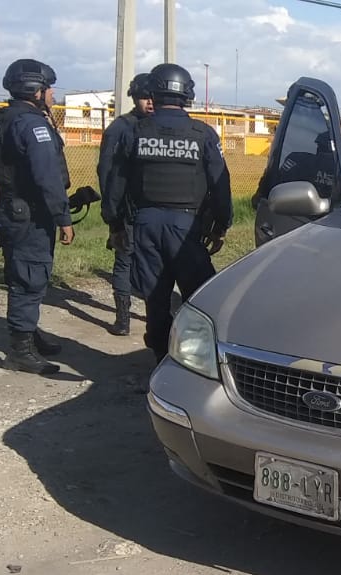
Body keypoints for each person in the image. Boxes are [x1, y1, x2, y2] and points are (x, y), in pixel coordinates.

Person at [104, 63, 232, 363]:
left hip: (146, 224)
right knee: (200, 298)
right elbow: (220, 183)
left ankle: (160, 358)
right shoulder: (202, 133)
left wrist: (115, 224)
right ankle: (196, 361)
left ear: (154, 92)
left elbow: (116, 183)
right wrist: (221, 225)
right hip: (187, 227)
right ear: (187, 93)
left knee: (156, 299)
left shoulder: (133, 132)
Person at [0, 59, 75, 375]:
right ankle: (21, 351)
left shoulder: (1, 117)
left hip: (9, 206)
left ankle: (30, 334)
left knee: (20, 272)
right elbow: (46, 174)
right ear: (34, 91)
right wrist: (63, 217)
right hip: (30, 213)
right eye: (49, 88)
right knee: (30, 277)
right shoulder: (31, 124)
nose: (52, 94)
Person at [97, 72, 153, 336]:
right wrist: (113, 216)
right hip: (127, 211)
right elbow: (107, 173)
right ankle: (123, 318)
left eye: (154, 96)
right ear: (135, 97)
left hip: (154, 213)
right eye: (144, 97)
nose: (150, 102)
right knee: (124, 262)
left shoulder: (162, 127)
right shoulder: (121, 128)